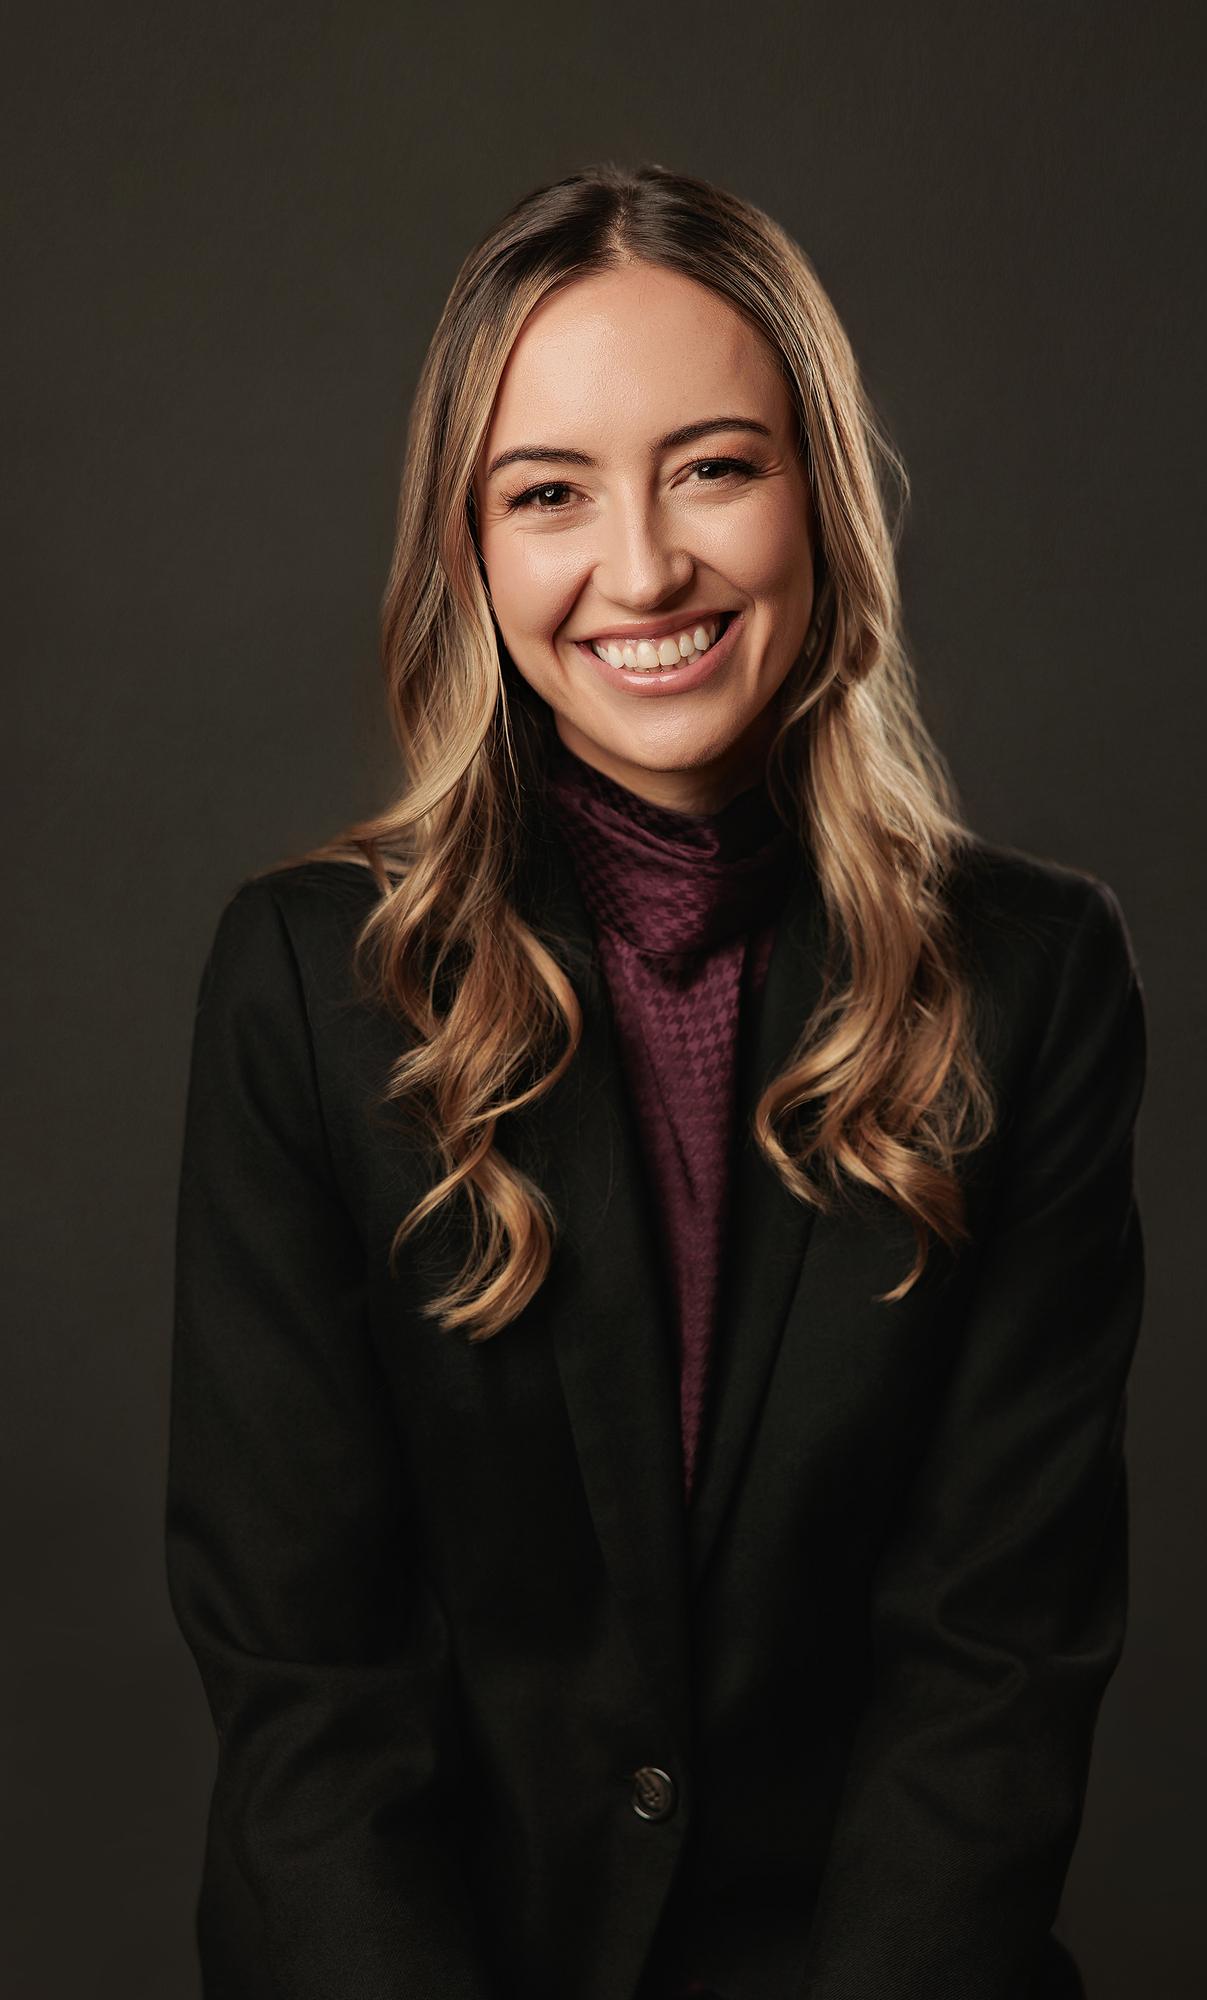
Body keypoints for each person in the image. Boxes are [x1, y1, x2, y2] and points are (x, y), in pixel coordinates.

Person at [165, 160, 1147, 2000]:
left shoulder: (1035, 981)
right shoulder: (306, 984)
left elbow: (992, 1660)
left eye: (713, 465)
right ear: (469, 554)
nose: (641, 568)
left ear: (821, 500)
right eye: (549, 494)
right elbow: (311, 1690)